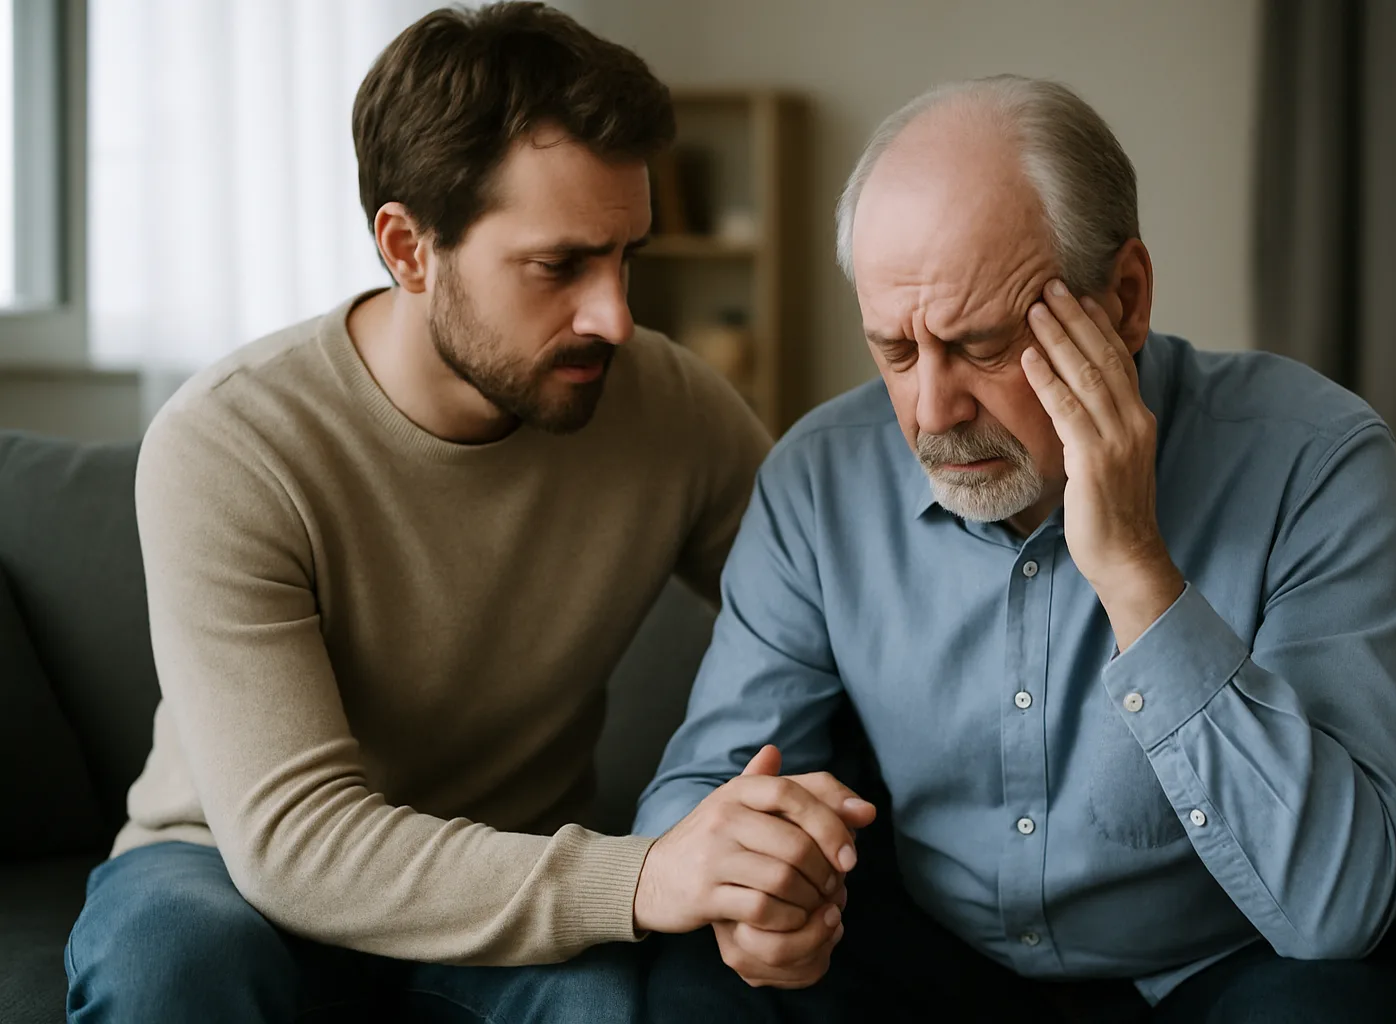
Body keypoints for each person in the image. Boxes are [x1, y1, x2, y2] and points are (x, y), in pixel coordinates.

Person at [63, 5, 861, 1022]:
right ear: (408, 246)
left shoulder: (673, 408)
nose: (615, 315)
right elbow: (295, 841)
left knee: (603, 1006)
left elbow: (833, 624)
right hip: (226, 868)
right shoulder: (229, 444)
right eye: (559, 265)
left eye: (628, 257)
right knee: (171, 963)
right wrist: (642, 876)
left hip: (513, 868)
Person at [637, 76, 1396, 1023]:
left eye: (981, 345)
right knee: (694, 978)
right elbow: (699, 797)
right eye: (894, 351)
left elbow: (1341, 907)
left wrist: (1138, 571)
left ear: (1125, 300)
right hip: (932, 956)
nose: (932, 413)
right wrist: (747, 887)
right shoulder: (819, 480)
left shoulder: (1316, 459)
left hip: (1223, 966)